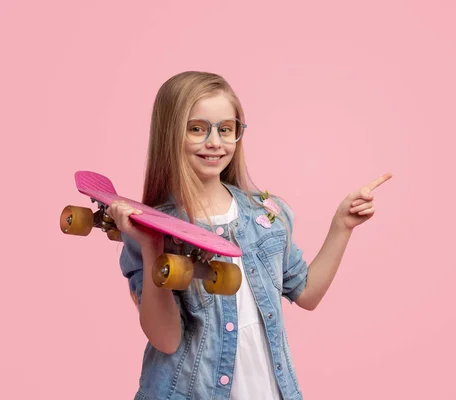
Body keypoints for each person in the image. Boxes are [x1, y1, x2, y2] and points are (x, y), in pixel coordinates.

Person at [107, 71, 392, 400]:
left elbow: (308, 294)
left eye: (226, 129)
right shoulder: (149, 228)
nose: (215, 142)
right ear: (170, 133)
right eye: (197, 129)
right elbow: (166, 339)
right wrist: (151, 247)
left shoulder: (265, 216)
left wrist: (342, 225)